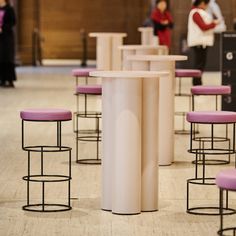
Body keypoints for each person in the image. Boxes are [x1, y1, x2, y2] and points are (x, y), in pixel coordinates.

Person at [188, 0, 219, 85]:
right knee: (199, 64)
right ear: (201, 3)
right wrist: (214, 24)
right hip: (199, 42)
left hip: (202, 42)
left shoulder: (199, 12)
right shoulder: (195, 13)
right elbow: (203, 26)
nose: (207, 6)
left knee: (201, 64)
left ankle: (198, 83)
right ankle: (196, 84)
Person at [0, 0, 16, 88]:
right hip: (0, 37)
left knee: (8, 58)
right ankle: (2, 79)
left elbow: (13, 22)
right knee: (0, 58)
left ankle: (10, 80)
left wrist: (3, 28)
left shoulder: (9, 9)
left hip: (7, 36)